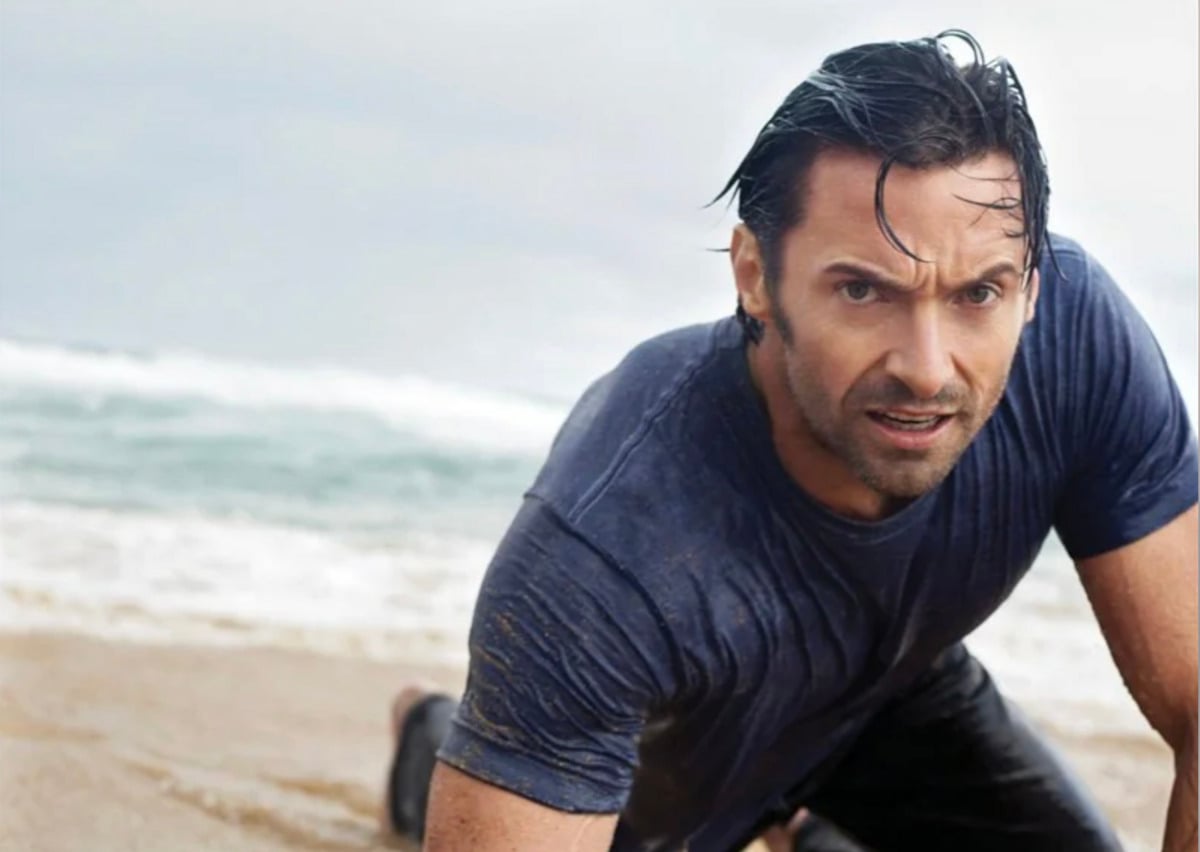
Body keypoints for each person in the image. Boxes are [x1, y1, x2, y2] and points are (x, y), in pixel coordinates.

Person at [381, 30, 1198, 852]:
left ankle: (806, 828)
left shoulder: (1077, 342)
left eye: (979, 293)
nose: (925, 368)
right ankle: (427, 729)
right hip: (677, 760)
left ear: (1029, 290)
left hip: (889, 695)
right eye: (861, 289)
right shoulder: (601, 552)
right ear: (755, 278)